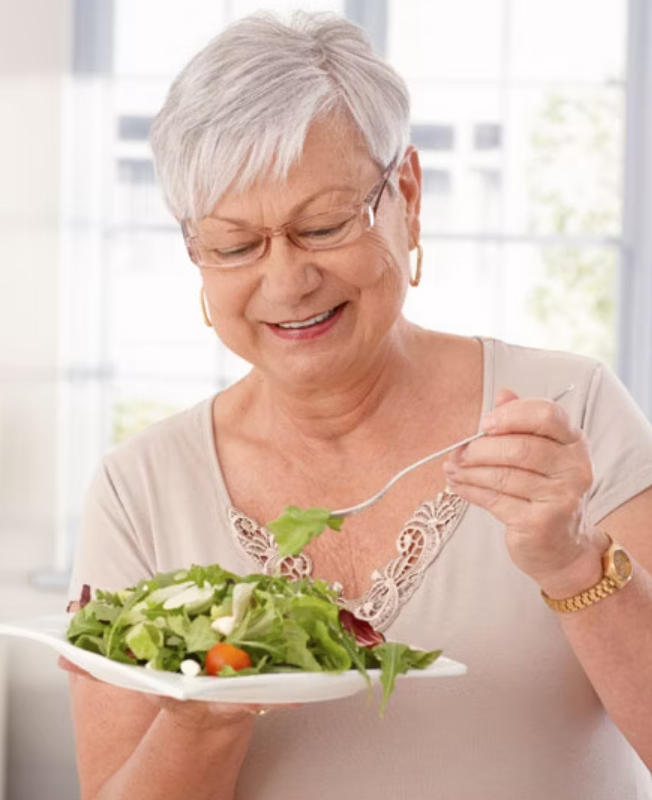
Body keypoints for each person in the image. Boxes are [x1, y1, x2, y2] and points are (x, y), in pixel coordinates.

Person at [63, 10, 652, 800]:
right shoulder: (140, 489)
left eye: (323, 225)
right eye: (235, 245)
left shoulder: (569, 414)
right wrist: (204, 712)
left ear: (407, 192)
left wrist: (574, 561)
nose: (287, 282)